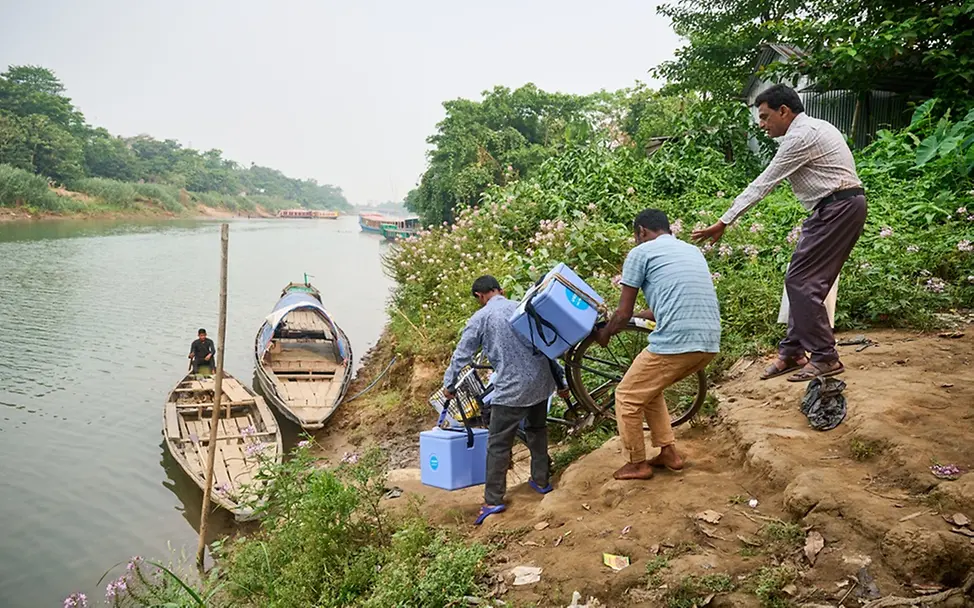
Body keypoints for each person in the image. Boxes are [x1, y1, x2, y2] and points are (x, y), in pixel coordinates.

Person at [692, 84, 867, 382]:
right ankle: (793, 351)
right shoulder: (815, 127)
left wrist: (724, 221)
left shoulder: (799, 137)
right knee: (804, 281)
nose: (761, 125)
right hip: (835, 208)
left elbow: (763, 183)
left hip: (837, 208)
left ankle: (825, 357)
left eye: (764, 116)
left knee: (801, 281)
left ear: (784, 111)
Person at [595, 209, 721, 481]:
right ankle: (668, 452)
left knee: (627, 395)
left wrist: (605, 333)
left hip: (677, 341)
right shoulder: (690, 251)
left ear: (641, 231)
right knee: (649, 390)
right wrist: (634, 317)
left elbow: (623, 312)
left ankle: (636, 463)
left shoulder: (641, 253)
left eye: (636, 236)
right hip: (709, 341)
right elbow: (669, 304)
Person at [443, 275, 569, 525]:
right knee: (536, 430)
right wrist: (561, 381)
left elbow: (462, 355)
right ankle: (541, 481)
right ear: (500, 290)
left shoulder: (481, 318)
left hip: (512, 390)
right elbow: (546, 347)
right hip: (541, 383)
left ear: (480, 297)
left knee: (498, 444)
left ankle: (493, 500)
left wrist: (449, 384)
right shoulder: (522, 307)